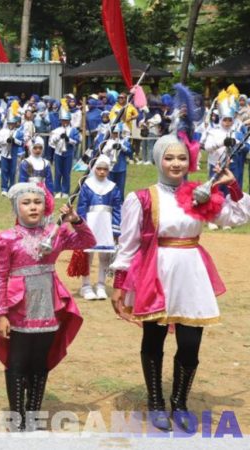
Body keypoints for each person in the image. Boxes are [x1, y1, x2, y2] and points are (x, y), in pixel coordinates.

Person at [110, 135, 250, 433]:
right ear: (158, 160)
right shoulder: (142, 198)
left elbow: (238, 217)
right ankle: (156, 401)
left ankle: (180, 401)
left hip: (191, 273)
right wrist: (120, 282)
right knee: (154, 338)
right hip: (154, 273)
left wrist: (232, 186)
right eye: (169, 158)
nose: (176, 164)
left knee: (190, 343)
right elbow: (128, 243)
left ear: (191, 162)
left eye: (182, 158)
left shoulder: (200, 194)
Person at [0, 182, 95, 432]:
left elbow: (88, 240)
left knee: (39, 362)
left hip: (48, 305)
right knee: (17, 362)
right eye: (26, 203)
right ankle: (17, 417)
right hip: (19, 308)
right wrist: (1, 313)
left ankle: (33, 416)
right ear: (16, 207)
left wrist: (75, 219)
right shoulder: (6, 239)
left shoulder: (55, 233)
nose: (32, 207)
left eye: (37, 202)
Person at [76, 155, 122, 301]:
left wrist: (116, 229)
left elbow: (117, 208)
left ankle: (101, 285)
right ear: (94, 169)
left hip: (106, 224)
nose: (102, 172)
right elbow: (81, 207)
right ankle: (86, 285)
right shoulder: (87, 186)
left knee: (105, 256)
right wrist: (81, 226)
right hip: (91, 223)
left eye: (105, 169)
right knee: (88, 255)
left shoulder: (113, 187)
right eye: (99, 169)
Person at [48, 106, 80, 198]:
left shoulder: (73, 130)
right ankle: (57, 191)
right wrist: (59, 137)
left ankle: (65, 191)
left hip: (68, 154)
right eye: (63, 120)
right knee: (58, 173)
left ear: (69, 121)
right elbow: (51, 142)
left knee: (66, 173)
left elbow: (76, 141)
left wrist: (68, 139)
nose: (65, 122)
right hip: (58, 153)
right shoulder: (56, 130)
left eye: (66, 121)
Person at [95, 124, 132, 198]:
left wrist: (122, 147)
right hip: (109, 168)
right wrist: (110, 148)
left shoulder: (124, 142)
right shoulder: (106, 141)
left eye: (116, 133)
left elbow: (130, 153)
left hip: (121, 168)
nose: (114, 135)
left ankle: (120, 205)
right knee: (108, 188)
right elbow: (99, 151)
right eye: (113, 133)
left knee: (120, 189)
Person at [0, 104, 24, 196]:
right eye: (9, 123)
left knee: (13, 171)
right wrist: (6, 140)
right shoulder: (3, 131)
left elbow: (21, 143)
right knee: (4, 171)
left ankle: (12, 187)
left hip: (14, 154)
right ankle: (4, 188)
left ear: (15, 123)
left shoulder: (19, 132)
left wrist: (14, 140)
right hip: (4, 154)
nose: (11, 125)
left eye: (12, 123)